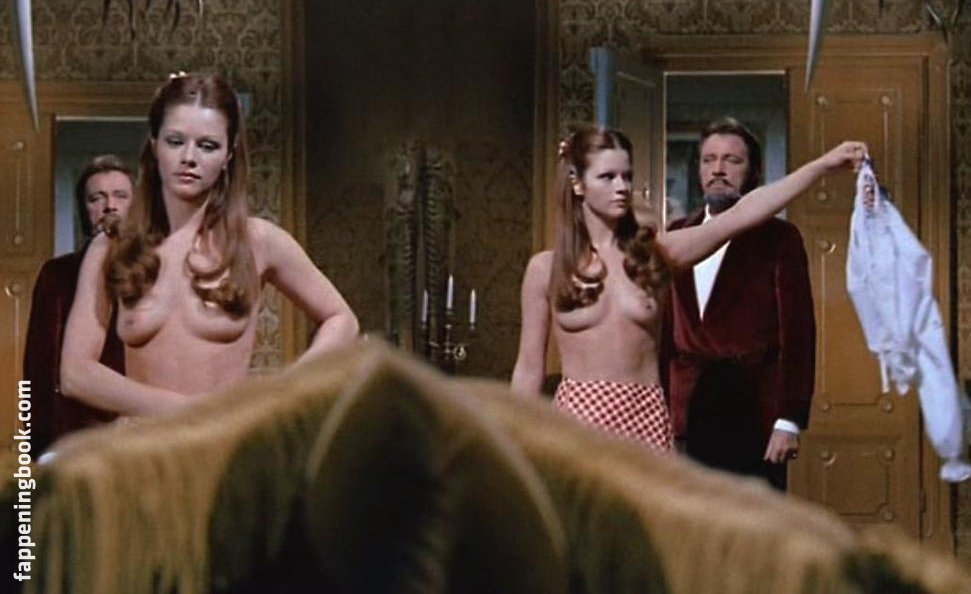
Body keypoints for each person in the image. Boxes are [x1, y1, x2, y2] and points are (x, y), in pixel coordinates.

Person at [511, 125, 865, 455]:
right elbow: (528, 370)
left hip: (643, 417)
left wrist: (822, 165)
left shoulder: (656, 255)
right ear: (577, 184)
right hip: (576, 419)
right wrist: (513, 447)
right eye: (607, 177)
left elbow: (743, 213)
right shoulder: (545, 269)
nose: (622, 187)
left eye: (627, 176)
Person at [61, 72, 359, 417]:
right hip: (147, 444)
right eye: (175, 141)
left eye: (207, 145)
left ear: (229, 154)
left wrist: (283, 393)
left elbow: (342, 319)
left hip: (228, 443)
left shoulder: (258, 241)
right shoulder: (112, 246)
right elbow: (75, 374)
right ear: (155, 144)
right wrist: (186, 411)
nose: (189, 157)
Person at [662, 117, 813, 490]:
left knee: (755, 518)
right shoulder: (678, 235)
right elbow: (662, 336)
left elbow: (798, 334)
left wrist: (788, 420)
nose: (718, 170)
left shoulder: (779, 238)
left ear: (753, 171)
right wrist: (661, 414)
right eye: (708, 159)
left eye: (732, 160)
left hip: (755, 412)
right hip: (686, 412)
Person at [24, 155, 134, 452]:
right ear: (84, 210)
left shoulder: (158, 271)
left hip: (143, 431)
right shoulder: (57, 274)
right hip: (76, 433)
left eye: (120, 195)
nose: (109, 206)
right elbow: (38, 368)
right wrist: (35, 449)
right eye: (97, 198)